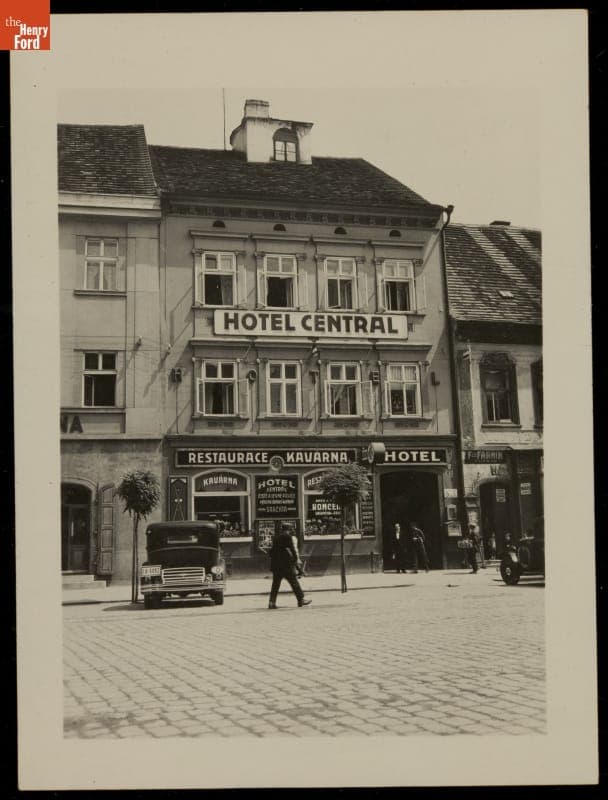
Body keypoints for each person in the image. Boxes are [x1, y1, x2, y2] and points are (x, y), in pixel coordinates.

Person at [268, 523, 311, 609]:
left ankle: (271, 603)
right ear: (288, 529)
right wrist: (295, 560)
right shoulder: (288, 537)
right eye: (291, 529)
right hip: (286, 565)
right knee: (294, 582)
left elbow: (271, 552)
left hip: (276, 566)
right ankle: (301, 600)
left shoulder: (276, 538)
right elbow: (292, 550)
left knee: (275, 585)